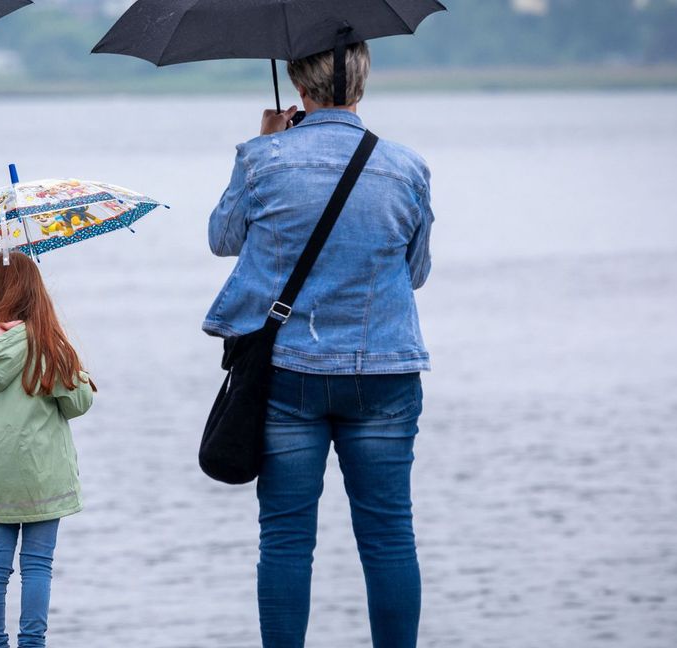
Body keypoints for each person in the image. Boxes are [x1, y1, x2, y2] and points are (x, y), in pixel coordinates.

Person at [202, 42, 434, 648]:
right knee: (388, 536)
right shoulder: (406, 167)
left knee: (284, 535)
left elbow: (223, 239)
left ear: (299, 89)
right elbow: (416, 271)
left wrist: (259, 145)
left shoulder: (264, 160)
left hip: (289, 373)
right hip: (385, 370)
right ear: (361, 86)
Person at [0, 252, 95, 648]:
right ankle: (33, 643)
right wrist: (71, 362)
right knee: (37, 566)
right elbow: (78, 403)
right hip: (42, 474)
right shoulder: (45, 345)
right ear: (36, 295)